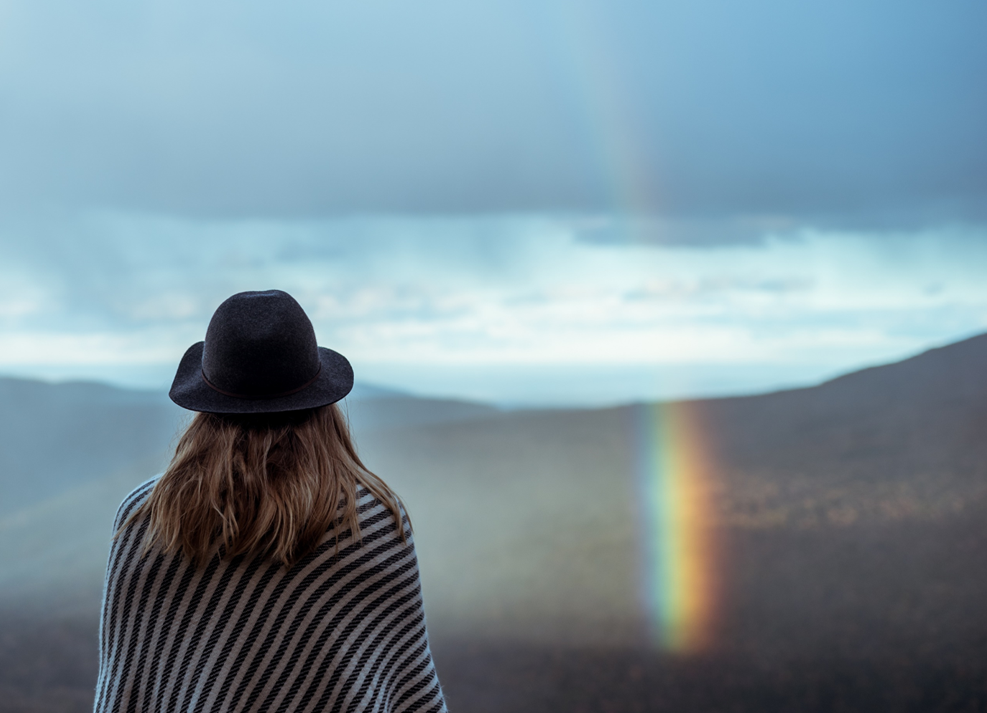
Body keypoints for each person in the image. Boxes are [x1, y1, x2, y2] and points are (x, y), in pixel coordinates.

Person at [93, 290, 447, 713]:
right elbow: (410, 697)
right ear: (322, 402)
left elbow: (125, 695)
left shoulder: (146, 519)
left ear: (207, 403)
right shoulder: (373, 520)